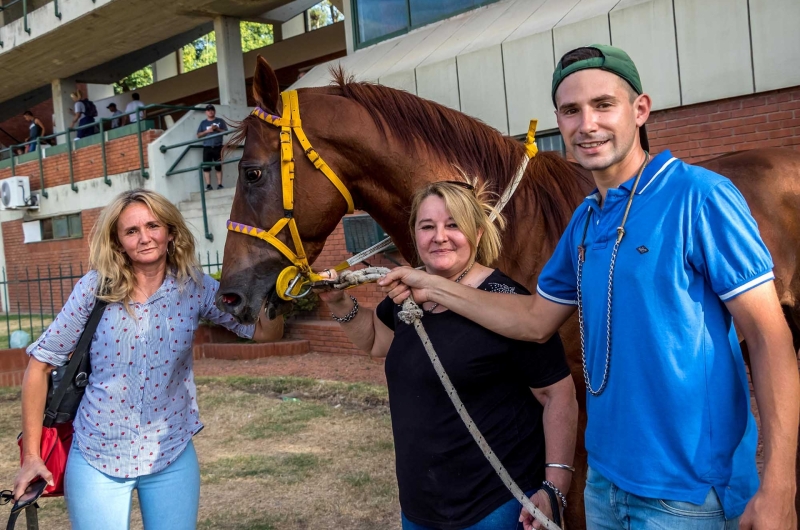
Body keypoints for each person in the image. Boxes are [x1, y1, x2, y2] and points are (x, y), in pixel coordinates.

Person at [381, 45, 800, 530]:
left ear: (640, 110)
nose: (587, 124)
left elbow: (771, 339)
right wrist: (430, 286)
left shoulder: (701, 197)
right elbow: (534, 319)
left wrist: (780, 487)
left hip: (689, 495)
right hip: (604, 486)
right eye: (571, 110)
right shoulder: (585, 220)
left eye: (604, 105)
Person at [12, 189, 283, 530]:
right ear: (118, 242)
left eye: (153, 225)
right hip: (98, 457)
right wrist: (32, 458)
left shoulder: (196, 288)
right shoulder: (94, 289)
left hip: (171, 455)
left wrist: (278, 289)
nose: (144, 238)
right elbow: (39, 366)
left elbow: (264, 332)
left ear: (170, 232)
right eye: (131, 231)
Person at [321, 181, 578, 530]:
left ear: (476, 232)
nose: (440, 236)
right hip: (419, 507)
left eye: (453, 224)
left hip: (494, 507)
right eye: (427, 226)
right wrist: (339, 303)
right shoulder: (408, 291)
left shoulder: (506, 302)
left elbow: (558, 394)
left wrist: (555, 487)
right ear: (414, 235)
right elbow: (376, 342)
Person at [196, 104, 228, 191]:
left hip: (218, 146)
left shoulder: (220, 121)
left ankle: (220, 184)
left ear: (214, 111)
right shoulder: (203, 123)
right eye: (208, 110)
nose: (210, 111)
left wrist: (217, 129)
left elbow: (226, 132)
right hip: (207, 147)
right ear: (206, 112)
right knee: (206, 167)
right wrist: (208, 131)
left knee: (218, 166)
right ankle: (208, 185)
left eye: (212, 110)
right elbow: (198, 135)